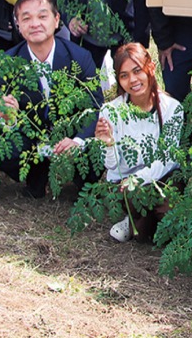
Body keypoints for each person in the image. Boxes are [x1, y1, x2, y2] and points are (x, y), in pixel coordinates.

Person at [54, 42, 182, 242]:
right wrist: (108, 143)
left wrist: (139, 178)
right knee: (143, 206)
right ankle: (139, 221)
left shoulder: (172, 108)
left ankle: (138, 222)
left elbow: (169, 158)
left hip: (159, 178)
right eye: (124, 75)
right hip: (125, 185)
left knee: (165, 206)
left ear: (151, 68)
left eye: (137, 71)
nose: (132, 80)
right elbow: (112, 166)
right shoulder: (111, 111)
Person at [0, 0, 103, 197]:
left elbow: (95, 107)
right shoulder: (7, 63)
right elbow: (0, 114)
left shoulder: (80, 58)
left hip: (69, 138)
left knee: (93, 159)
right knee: (3, 150)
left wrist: (77, 142)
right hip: (32, 140)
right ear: (18, 25)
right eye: (26, 18)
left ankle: (77, 176)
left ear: (56, 20)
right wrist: (8, 118)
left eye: (42, 16)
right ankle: (37, 173)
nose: (35, 23)